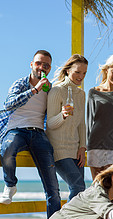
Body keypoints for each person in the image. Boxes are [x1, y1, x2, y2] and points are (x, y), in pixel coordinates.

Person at [0, 50, 61, 218]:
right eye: (38, 63)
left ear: (50, 68)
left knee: (52, 186)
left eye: (46, 65)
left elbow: (53, 113)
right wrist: (34, 90)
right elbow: (9, 104)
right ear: (31, 64)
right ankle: (10, 185)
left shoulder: (50, 89)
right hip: (17, 130)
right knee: (8, 148)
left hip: (39, 133)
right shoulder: (21, 83)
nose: (41, 67)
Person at [46, 54, 88, 201]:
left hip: (75, 149)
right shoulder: (56, 91)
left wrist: (83, 147)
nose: (80, 76)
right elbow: (50, 124)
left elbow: (82, 123)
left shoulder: (82, 94)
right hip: (59, 149)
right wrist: (62, 115)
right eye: (77, 72)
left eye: (84, 73)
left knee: (80, 191)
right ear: (68, 70)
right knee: (78, 187)